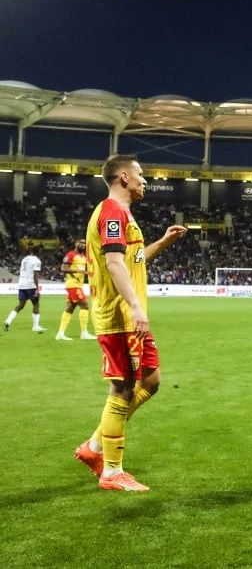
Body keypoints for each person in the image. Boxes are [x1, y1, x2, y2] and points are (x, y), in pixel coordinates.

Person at [72, 154, 189, 491]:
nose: (145, 179)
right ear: (123, 176)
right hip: (119, 316)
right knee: (123, 388)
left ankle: (95, 446)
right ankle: (111, 471)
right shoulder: (111, 211)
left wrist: (162, 243)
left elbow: (131, 260)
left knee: (150, 380)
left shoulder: (123, 215)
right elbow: (112, 263)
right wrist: (136, 307)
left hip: (130, 316)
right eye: (140, 174)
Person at [56, 239, 96, 341]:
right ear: (76, 244)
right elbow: (63, 268)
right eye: (80, 243)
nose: (82, 245)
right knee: (85, 305)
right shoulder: (71, 254)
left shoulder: (84, 257)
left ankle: (60, 333)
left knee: (70, 308)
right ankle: (84, 333)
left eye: (84, 243)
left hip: (78, 284)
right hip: (73, 284)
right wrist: (78, 270)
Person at [5, 246, 47, 333]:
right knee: (36, 304)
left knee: (21, 305)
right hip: (30, 285)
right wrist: (37, 287)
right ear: (39, 252)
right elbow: (35, 274)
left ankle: (8, 320)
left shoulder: (24, 259)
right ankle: (35, 326)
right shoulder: (37, 261)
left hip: (21, 284)